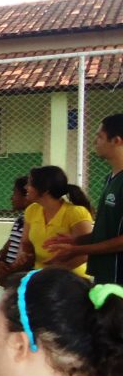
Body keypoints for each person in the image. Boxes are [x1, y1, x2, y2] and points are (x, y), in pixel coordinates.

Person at [46, 113, 123, 284]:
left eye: (100, 136)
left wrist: (78, 249)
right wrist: (77, 240)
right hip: (106, 273)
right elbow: (110, 231)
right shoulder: (110, 178)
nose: (95, 141)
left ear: (116, 141)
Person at [12, 165, 92, 277]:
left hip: (72, 278)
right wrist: (23, 253)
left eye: (30, 183)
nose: (26, 187)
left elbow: (84, 254)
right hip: (41, 276)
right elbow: (26, 242)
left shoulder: (76, 213)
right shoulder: (32, 210)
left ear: (44, 190)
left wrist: (53, 272)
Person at [0, 176, 31, 288]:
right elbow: (10, 243)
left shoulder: (34, 222)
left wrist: (9, 273)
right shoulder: (20, 219)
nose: (11, 198)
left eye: (15, 193)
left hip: (22, 277)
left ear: (27, 196)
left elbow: (29, 255)